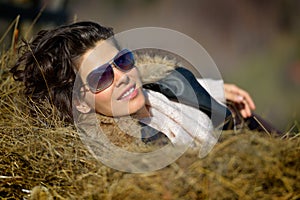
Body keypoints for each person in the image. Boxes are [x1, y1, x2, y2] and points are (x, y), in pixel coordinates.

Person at [10, 21, 280, 150]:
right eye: (101, 77)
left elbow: (168, 82)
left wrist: (215, 90)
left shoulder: (155, 89)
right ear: (80, 101)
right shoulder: (127, 147)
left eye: (123, 60)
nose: (122, 76)